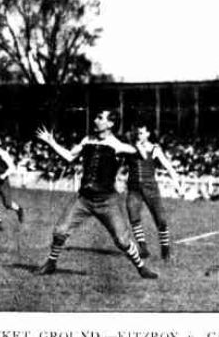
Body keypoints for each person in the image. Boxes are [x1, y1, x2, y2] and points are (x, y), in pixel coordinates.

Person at [34, 110, 158, 279]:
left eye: (100, 118)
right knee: (60, 231)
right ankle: (51, 263)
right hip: (84, 199)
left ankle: (142, 268)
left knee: (122, 241)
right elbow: (70, 157)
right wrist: (51, 142)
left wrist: (139, 143)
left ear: (110, 124)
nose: (95, 120)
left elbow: (142, 156)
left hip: (107, 201)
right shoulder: (87, 140)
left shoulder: (118, 145)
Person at [124, 124, 184, 260]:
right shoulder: (129, 148)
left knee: (161, 220)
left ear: (148, 134)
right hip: (134, 188)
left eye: (142, 133)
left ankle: (165, 251)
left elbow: (168, 167)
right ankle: (143, 248)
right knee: (133, 216)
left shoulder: (155, 149)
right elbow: (119, 163)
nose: (139, 135)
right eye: (137, 133)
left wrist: (178, 184)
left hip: (150, 187)